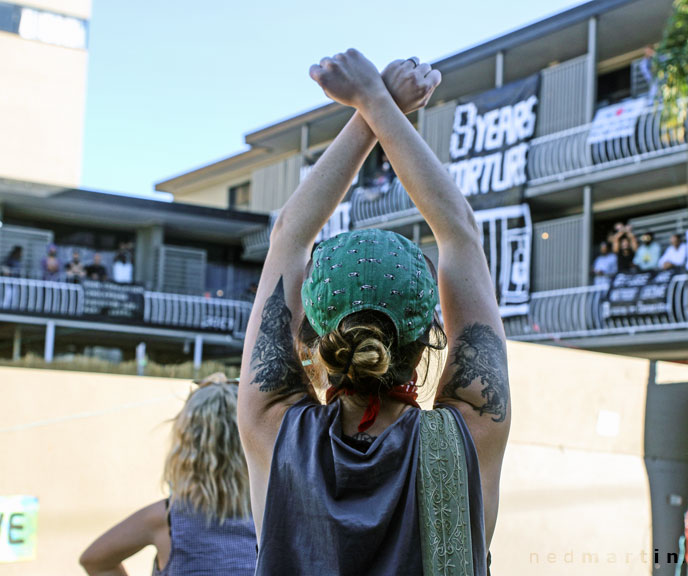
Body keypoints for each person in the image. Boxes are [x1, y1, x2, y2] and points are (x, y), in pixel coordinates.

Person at [237, 50, 509, 575]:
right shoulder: (473, 433)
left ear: (312, 336)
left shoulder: (272, 431)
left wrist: (371, 107)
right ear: (434, 333)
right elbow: (460, 234)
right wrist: (376, 103)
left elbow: (288, 239)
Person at [80, 373, 256, 576]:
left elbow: (94, 561)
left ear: (188, 443)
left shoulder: (167, 518)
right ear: (246, 439)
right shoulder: (272, 516)